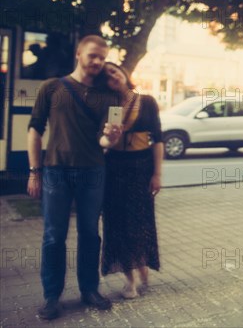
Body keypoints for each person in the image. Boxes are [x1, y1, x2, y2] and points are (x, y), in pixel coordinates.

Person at [27, 35, 121, 320]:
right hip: (56, 171)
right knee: (54, 236)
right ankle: (52, 296)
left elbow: (105, 143)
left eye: (102, 58)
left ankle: (89, 290)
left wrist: (111, 139)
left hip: (93, 171)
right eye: (93, 55)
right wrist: (34, 171)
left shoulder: (108, 96)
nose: (97, 62)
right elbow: (35, 130)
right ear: (79, 54)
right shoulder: (52, 87)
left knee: (90, 234)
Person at [99, 62, 163, 299]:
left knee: (140, 223)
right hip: (114, 168)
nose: (112, 77)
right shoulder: (106, 105)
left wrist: (157, 174)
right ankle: (130, 280)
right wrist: (108, 136)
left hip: (141, 169)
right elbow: (102, 142)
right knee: (118, 225)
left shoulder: (147, 101)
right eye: (106, 76)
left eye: (114, 70)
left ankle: (143, 266)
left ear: (123, 72)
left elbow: (158, 139)